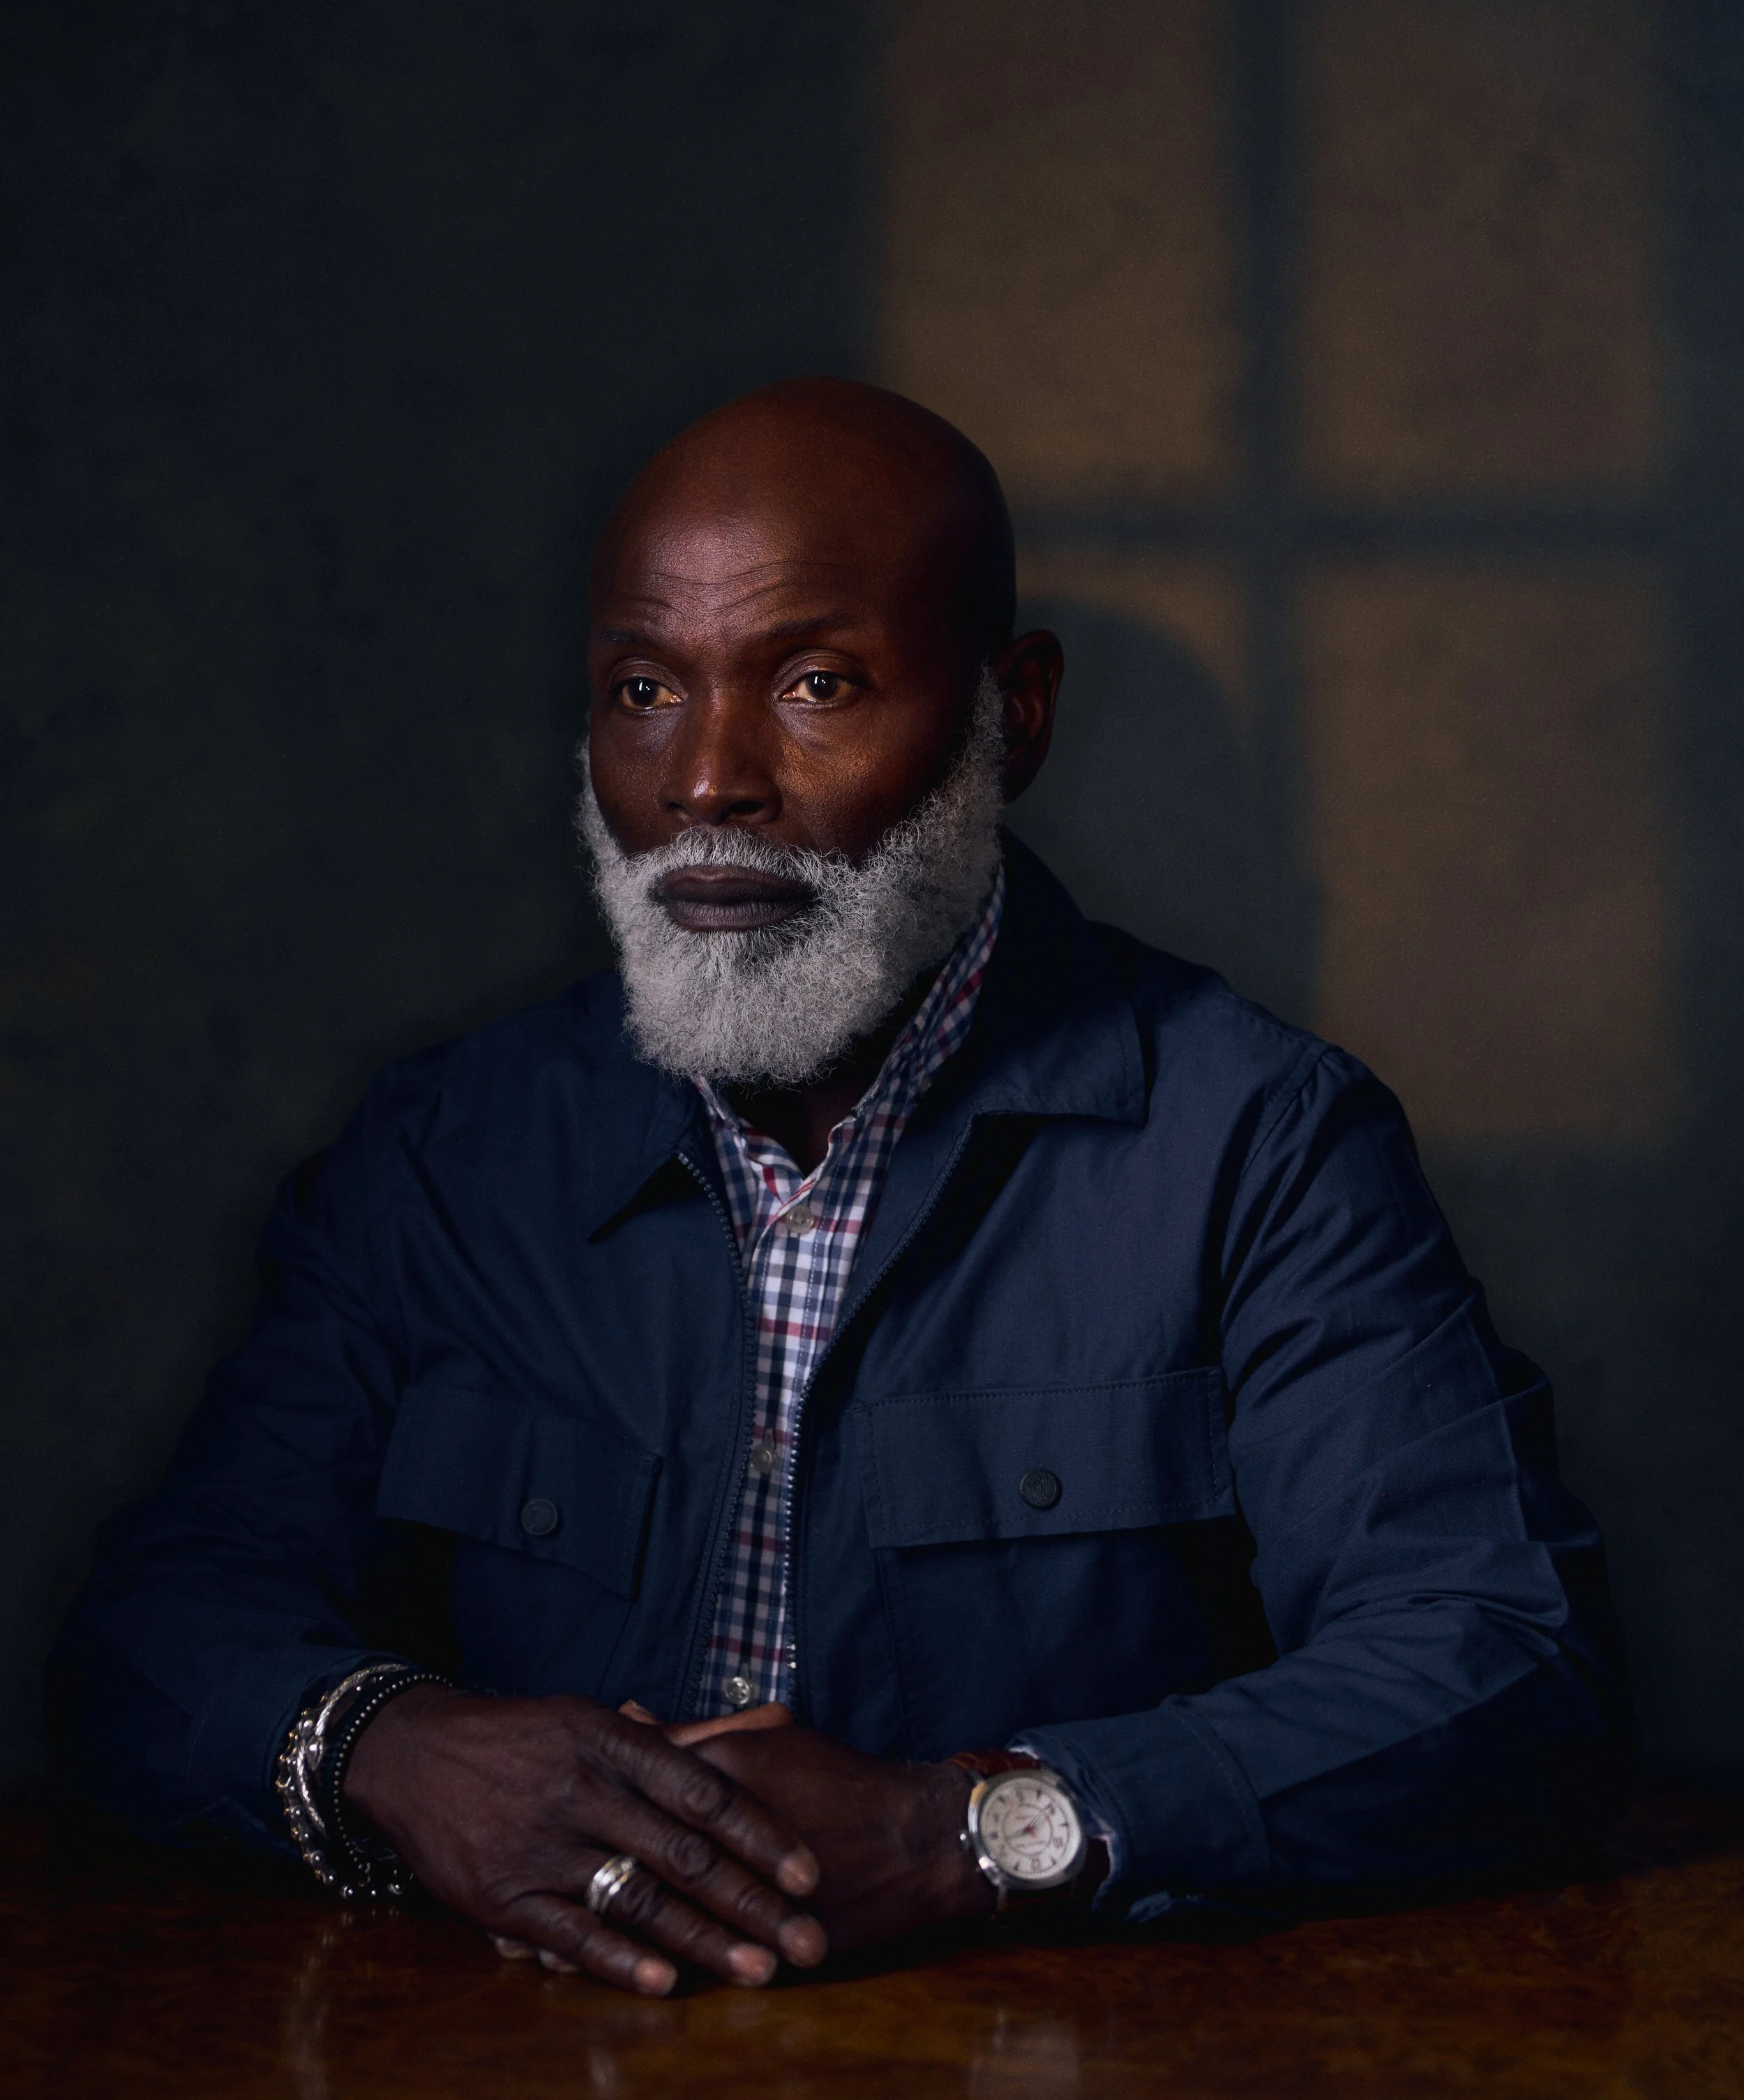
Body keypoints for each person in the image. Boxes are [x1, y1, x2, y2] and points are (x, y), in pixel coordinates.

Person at [50, 378, 1632, 1997]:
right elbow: (155, 1632)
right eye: (643, 688)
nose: (705, 779)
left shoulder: (1257, 1142)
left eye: (815, 681)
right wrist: (394, 1745)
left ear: (1008, 714)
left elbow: (1502, 1670)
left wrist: (974, 1828)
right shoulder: (447, 1154)